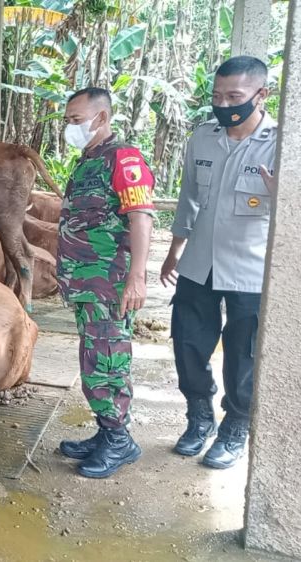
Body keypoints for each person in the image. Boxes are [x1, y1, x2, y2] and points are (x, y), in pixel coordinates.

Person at [161, 56, 276, 470]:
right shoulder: (203, 138)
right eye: (217, 95)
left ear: (261, 95)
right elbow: (188, 199)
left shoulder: (282, 143)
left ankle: (235, 427)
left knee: (243, 354)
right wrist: (174, 250)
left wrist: (282, 192)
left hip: (251, 270)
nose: (224, 104)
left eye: (235, 96)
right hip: (198, 265)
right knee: (188, 343)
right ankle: (200, 418)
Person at [56, 87, 155, 479]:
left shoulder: (123, 158)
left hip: (109, 283)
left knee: (107, 358)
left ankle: (119, 442)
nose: (70, 127)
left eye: (76, 120)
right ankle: (107, 431)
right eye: (67, 120)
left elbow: (141, 217)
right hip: (88, 283)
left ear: (102, 118)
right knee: (94, 356)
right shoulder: (89, 160)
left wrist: (137, 277)